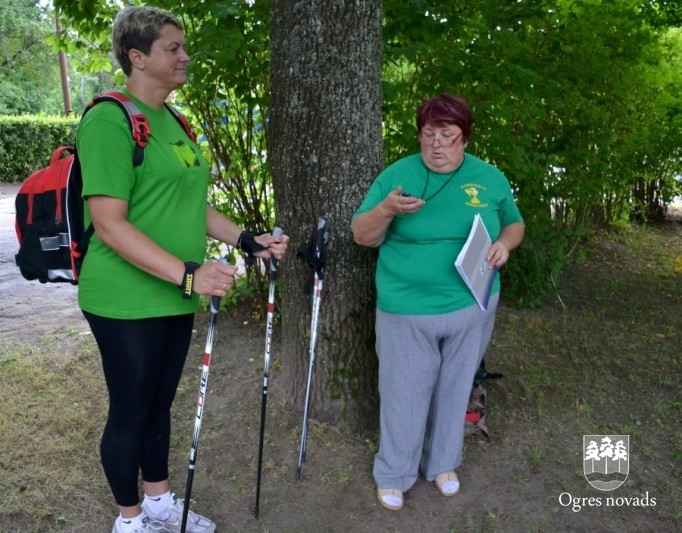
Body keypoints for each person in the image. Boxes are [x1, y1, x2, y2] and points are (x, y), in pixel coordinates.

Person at [77, 6, 289, 533]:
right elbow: (109, 224)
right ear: (137, 57)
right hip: (123, 296)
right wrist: (190, 275)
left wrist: (247, 239)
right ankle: (129, 522)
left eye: (183, 46)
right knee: (131, 407)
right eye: (172, 47)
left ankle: (159, 505)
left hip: (173, 291)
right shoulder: (109, 118)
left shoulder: (175, 120)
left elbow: (192, 205)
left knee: (160, 403)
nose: (184, 55)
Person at [351, 93, 524, 511]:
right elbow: (362, 234)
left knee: (456, 387)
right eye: (428, 135)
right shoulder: (398, 176)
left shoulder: (489, 177)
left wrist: (504, 243)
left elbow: (515, 223)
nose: (436, 145)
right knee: (403, 392)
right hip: (407, 308)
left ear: (464, 138)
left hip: (472, 304)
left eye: (447, 135)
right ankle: (394, 473)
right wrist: (388, 210)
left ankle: (443, 463)